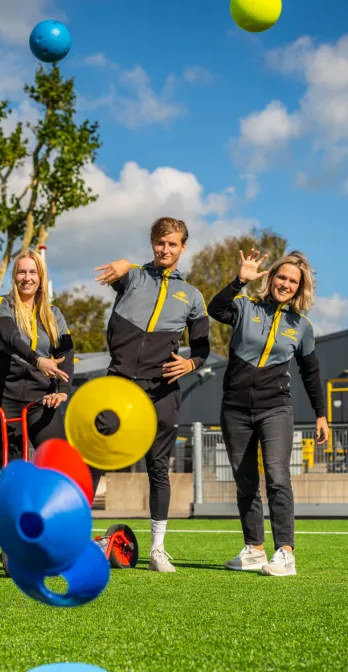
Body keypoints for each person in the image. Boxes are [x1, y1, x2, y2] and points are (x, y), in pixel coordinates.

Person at [91, 217, 211, 573]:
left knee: (158, 468)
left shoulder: (191, 295)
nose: (165, 249)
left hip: (161, 389)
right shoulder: (132, 277)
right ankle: (75, 537)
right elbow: (123, 272)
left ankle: (158, 548)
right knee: (97, 455)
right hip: (119, 383)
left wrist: (190, 366)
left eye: (172, 244)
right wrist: (126, 264)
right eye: (160, 243)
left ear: (182, 248)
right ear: (152, 243)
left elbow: (203, 346)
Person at [206, 249, 330, 577]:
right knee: (244, 480)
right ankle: (254, 549)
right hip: (234, 409)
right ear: (271, 278)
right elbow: (214, 308)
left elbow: (310, 373)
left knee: (276, 476)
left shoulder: (301, 327)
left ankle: (285, 553)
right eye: (282, 277)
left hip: (275, 408)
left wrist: (321, 414)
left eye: (293, 281)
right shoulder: (245, 307)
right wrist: (239, 281)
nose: (286, 284)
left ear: (300, 288)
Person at [0, 247, 74, 466]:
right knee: (13, 474)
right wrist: (38, 360)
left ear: (41, 277)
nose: (27, 278)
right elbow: (10, 338)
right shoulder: (1, 305)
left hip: (42, 399)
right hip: (5, 398)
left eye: (33, 272)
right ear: (14, 276)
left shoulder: (54, 314)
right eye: (21, 272)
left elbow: (66, 353)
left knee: (58, 463)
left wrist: (62, 391)